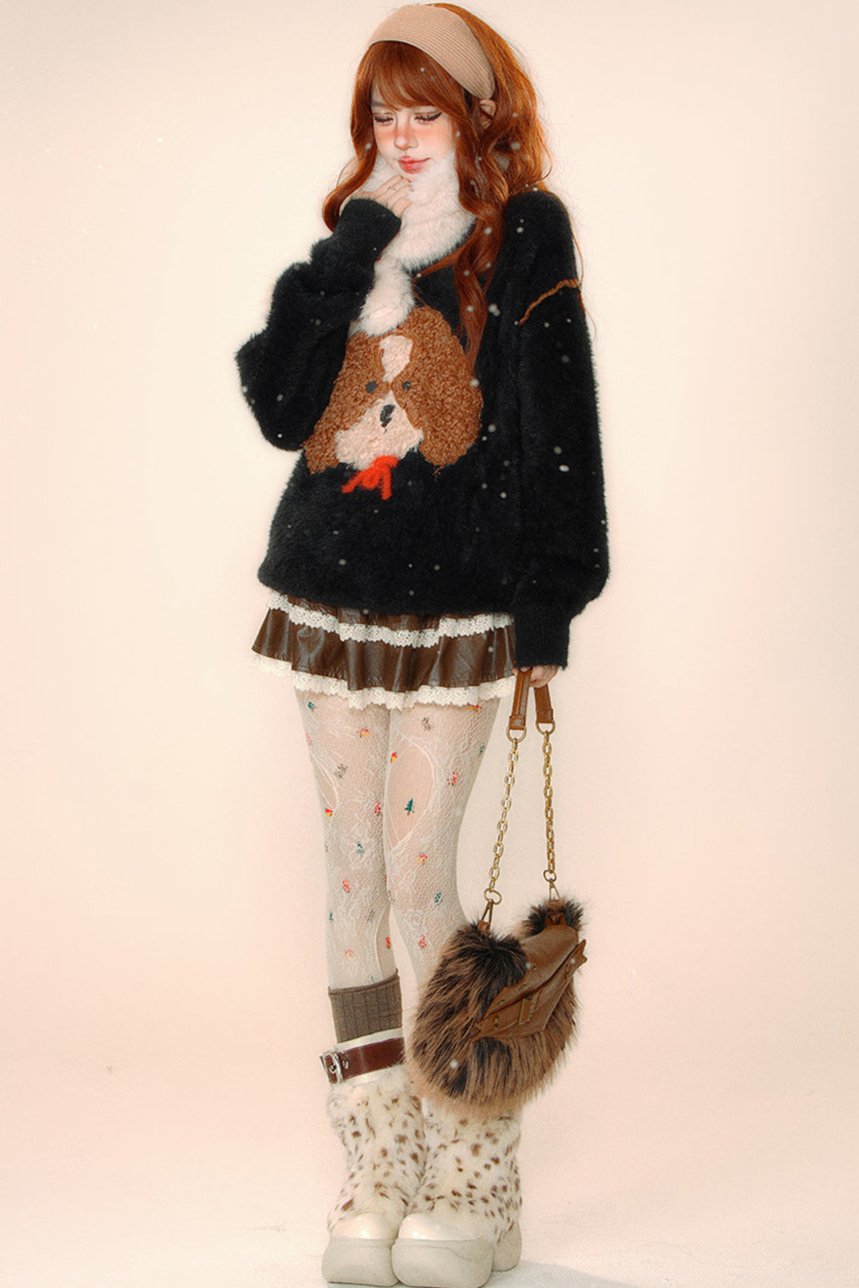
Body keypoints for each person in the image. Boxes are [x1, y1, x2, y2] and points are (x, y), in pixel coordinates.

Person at [235, 5, 609, 1285]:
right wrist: (351, 252)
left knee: (413, 874)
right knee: (348, 874)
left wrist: (548, 605)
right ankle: (380, 1163)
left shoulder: (524, 232)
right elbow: (280, 405)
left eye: (424, 112)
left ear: (476, 114)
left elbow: (560, 423)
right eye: (382, 115)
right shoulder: (357, 243)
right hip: (327, 597)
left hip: (460, 607)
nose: (401, 138)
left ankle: (475, 1169)